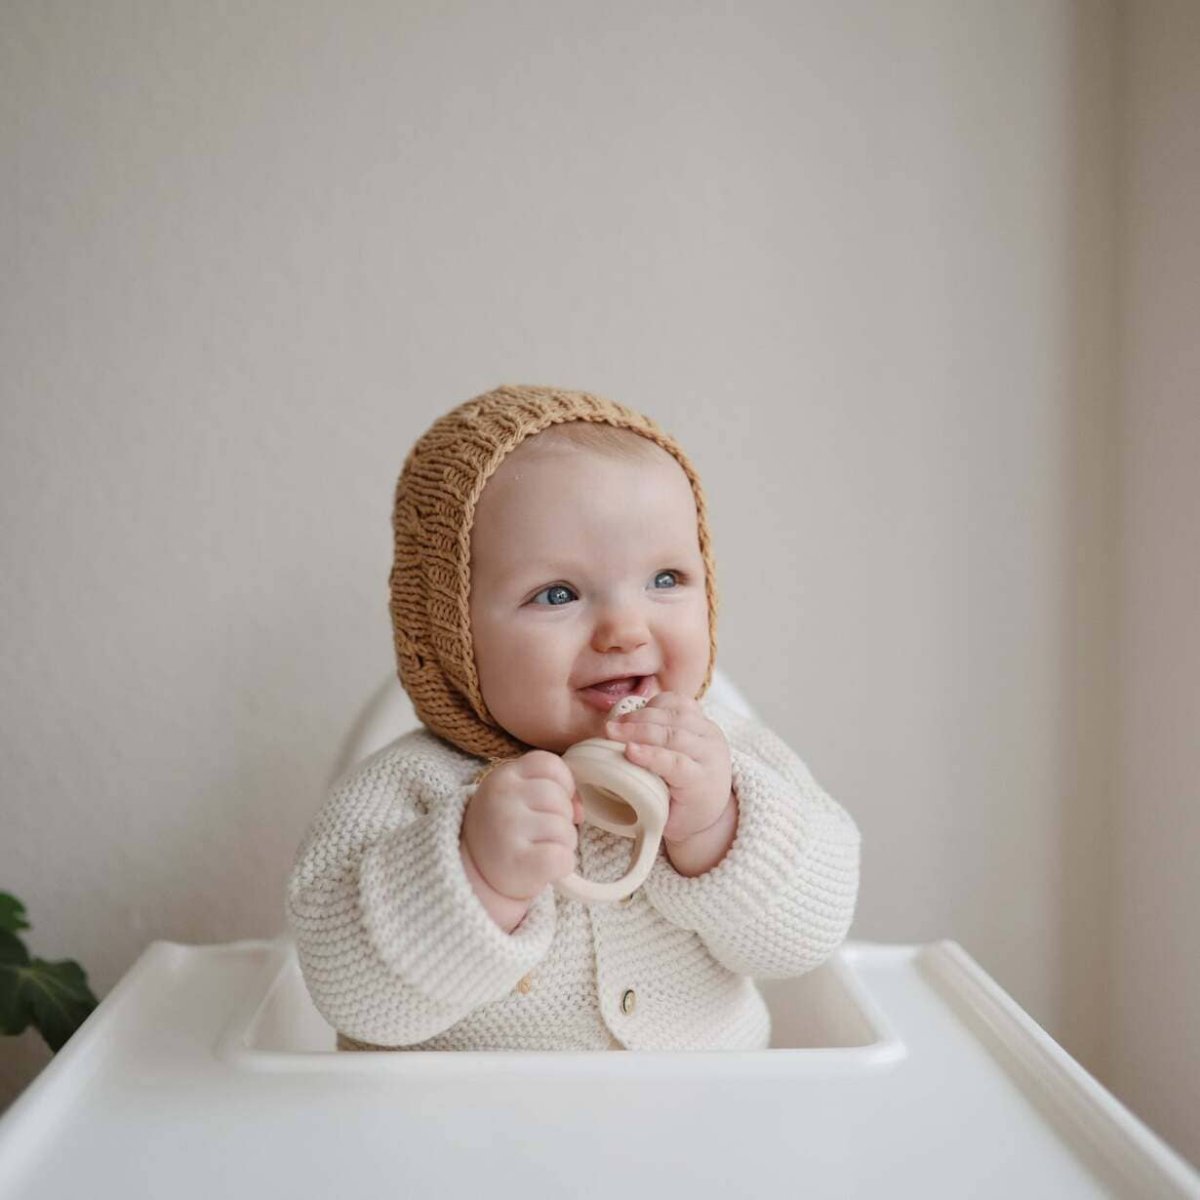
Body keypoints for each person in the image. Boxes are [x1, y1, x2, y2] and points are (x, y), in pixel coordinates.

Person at [286, 384, 860, 1051]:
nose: (626, 629)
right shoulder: (407, 789)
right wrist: (476, 875)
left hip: (703, 1108)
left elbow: (813, 937)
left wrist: (718, 826)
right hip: (470, 1117)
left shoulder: (729, 758)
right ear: (454, 634)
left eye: (666, 579)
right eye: (557, 594)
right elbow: (349, 995)